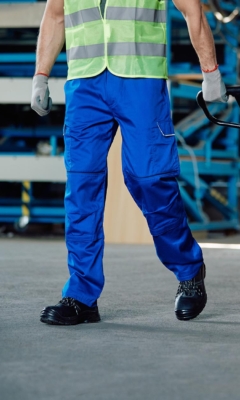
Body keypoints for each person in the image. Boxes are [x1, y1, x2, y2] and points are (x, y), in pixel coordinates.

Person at [31, 0, 227, 324]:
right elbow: (55, 16)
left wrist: (210, 71)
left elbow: (192, 8)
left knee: (150, 179)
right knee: (81, 186)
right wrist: (41, 75)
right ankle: (81, 294)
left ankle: (189, 270)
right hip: (85, 84)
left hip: (141, 79)